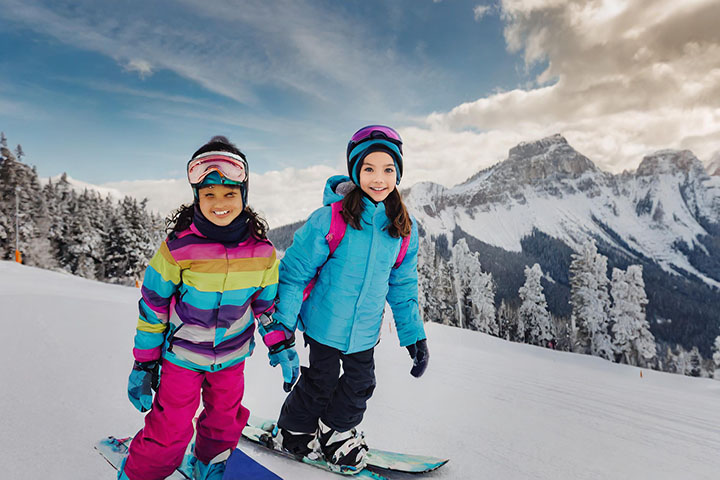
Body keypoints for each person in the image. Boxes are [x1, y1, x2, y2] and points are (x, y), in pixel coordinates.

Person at [118, 136, 300, 480]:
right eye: (209, 194)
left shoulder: (262, 252)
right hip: (182, 357)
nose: (220, 203)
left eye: (230, 194)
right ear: (197, 197)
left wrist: (280, 343)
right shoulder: (178, 248)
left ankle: (209, 464)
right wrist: (144, 363)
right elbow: (153, 308)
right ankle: (141, 471)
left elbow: (265, 306)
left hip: (231, 359)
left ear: (243, 196)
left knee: (223, 422)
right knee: (170, 427)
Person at [271, 125, 430, 471]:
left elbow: (403, 285)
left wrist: (413, 335)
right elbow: (294, 274)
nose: (379, 178)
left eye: (389, 169)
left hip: (364, 330)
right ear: (356, 171)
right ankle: (294, 431)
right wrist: (282, 326)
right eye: (369, 169)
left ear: (398, 174)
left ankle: (336, 432)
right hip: (324, 323)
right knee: (319, 382)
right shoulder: (331, 218)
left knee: (361, 383)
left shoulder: (402, 227)